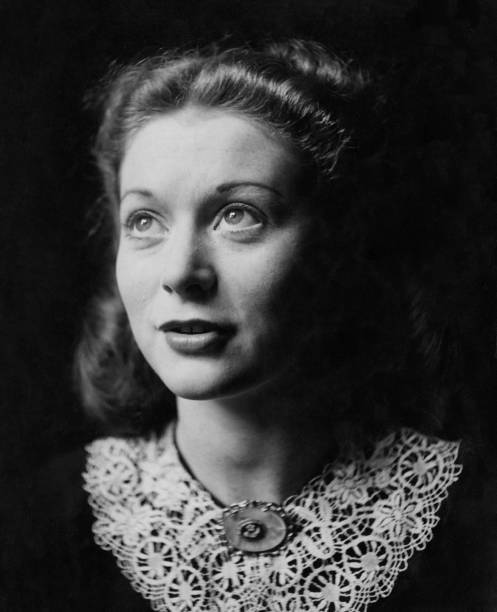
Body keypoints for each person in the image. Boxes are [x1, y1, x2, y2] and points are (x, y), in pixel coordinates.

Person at [27, 40, 495, 611]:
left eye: (238, 215)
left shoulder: (474, 519)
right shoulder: (36, 528)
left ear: (340, 248)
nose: (181, 274)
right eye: (145, 221)